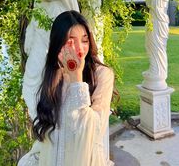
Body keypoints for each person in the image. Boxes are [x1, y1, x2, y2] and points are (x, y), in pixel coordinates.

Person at [18, 10, 114, 166]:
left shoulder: (102, 75)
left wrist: (77, 80)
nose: (80, 49)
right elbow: (45, 125)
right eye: (71, 41)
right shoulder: (51, 74)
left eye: (84, 40)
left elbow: (94, 131)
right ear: (58, 44)